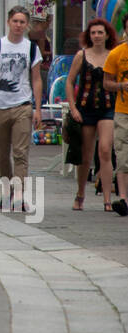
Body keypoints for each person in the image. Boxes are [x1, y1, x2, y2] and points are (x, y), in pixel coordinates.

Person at [0, 5, 43, 211]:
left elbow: (36, 79)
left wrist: (37, 109)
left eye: (22, 22)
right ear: (8, 22)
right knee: (2, 154)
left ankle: (19, 196)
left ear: (27, 25)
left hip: (22, 105)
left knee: (20, 152)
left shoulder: (31, 48)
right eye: (15, 21)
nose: (18, 25)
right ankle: (7, 192)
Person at [66, 18, 116, 211]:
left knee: (105, 150)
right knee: (86, 155)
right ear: (89, 35)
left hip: (108, 107)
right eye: (93, 33)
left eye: (100, 32)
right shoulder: (82, 55)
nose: (96, 36)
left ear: (107, 35)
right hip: (85, 108)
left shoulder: (112, 55)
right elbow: (70, 81)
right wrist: (73, 108)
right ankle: (80, 194)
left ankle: (107, 199)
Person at [101, 21, 128, 217]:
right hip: (123, 112)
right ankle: (124, 199)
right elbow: (106, 83)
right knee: (123, 154)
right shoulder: (116, 54)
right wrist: (121, 86)